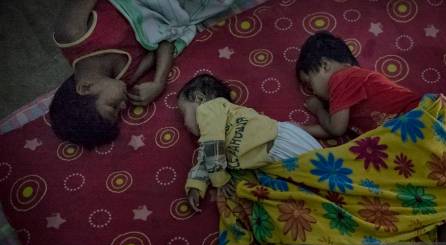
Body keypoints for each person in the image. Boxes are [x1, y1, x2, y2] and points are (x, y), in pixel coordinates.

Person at [296, 31, 446, 245]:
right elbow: (331, 129)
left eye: (310, 84)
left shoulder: (342, 78)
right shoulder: (350, 84)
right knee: (438, 182)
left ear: (324, 66)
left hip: (417, 122)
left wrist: (318, 108)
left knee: (442, 174)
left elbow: (335, 128)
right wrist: (300, 130)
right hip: (408, 136)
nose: (313, 93)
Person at [178, 74, 322, 212]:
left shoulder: (208, 108)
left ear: (199, 99)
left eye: (184, 113)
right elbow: (206, 159)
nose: (185, 124)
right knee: (315, 191)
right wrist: (195, 186)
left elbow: (212, 147)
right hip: (274, 157)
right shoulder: (210, 136)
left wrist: (220, 180)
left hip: (280, 143)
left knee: (321, 175)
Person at [50, 0, 174, 148]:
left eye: (113, 106)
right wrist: (158, 83)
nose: (123, 105)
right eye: (119, 110)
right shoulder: (126, 76)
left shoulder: (71, 34)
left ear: (85, 88)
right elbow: (164, 42)